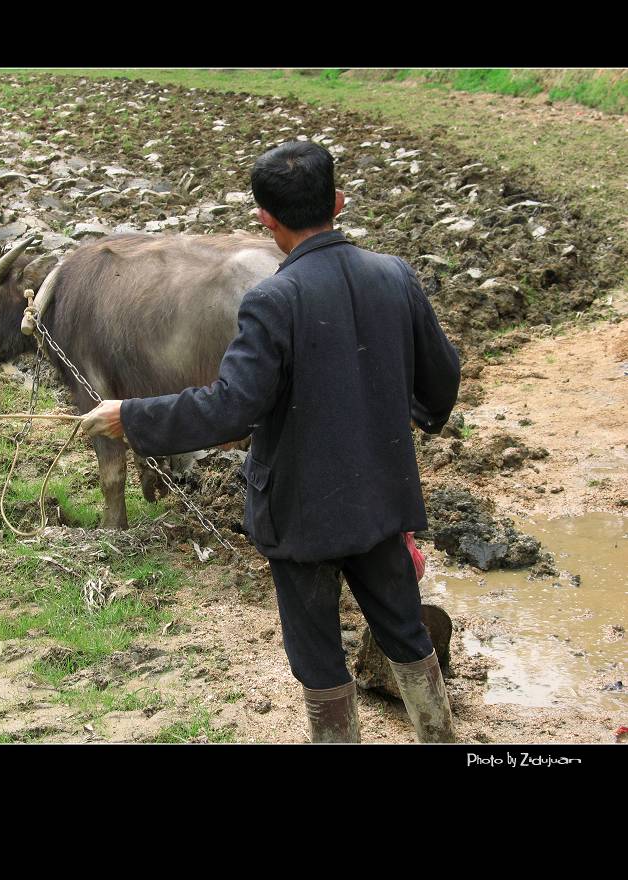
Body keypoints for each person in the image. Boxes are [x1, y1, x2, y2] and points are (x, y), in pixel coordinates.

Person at [81, 140, 461, 744]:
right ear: (338, 202)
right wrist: (401, 418)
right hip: (383, 502)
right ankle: (440, 738)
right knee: (406, 633)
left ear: (265, 218)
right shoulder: (395, 276)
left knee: (318, 657)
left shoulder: (273, 300)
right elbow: (442, 378)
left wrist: (132, 416)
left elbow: (231, 405)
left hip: (302, 516)